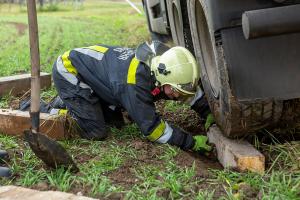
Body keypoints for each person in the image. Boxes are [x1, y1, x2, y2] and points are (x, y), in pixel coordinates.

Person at [51, 41, 212, 153]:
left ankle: (73, 101)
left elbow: (181, 87)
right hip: (70, 72)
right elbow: (154, 130)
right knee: (95, 130)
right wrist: (190, 142)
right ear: (163, 79)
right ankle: (51, 110)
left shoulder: (161, 63)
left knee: (116, 121)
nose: (177, 96)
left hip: (96, 79)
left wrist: (207, 113)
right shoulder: (135, 84)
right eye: (176, 91)